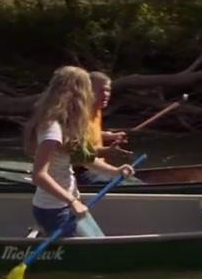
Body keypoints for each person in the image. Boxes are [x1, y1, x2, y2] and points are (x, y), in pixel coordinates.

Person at [23, 66, 134, 237]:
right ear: (75, 94)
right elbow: (39, 175)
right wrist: (72, 201)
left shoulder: (66, 124)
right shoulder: (52, 129)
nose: (90, 96)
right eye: (87, 91)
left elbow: (84, 159)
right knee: (90, 251)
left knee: (98, 242)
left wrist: (115, 171)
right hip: (54, 209)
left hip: (69, 203)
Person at [74, 71, 132, 185]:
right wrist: (106, 152)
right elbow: (77, 153)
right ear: (87, 91)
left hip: (97, 166)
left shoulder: (97, 110)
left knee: (132, 179)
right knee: (130, 184)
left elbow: (89, 134)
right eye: (101, 90)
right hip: (82, 170)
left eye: (108, 90)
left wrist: (109, 136)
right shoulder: (78, 115)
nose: (106, 94)